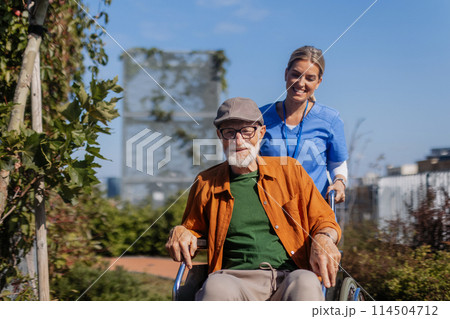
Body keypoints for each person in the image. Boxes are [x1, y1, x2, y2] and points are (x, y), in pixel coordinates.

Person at [166, 97, 341, 301]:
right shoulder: (206, 182)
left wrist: (324, 238)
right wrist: (180, 231)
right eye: (229, 132)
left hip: (289, 277)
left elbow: (325, 221)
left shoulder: (291, 171)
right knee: (215, 287)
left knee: (307, 283)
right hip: (232, 279)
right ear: (219, 136)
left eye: (247, 131)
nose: (238, 141)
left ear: (261, 133)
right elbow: (191, 230)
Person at [259, 46, 349, 203]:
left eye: (310, 78)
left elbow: (337, 163)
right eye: (296, 75)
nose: (301, 83)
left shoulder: (330, 119)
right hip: (271, 213)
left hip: (315, 214)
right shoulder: (260, 117)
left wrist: (339, 183)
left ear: (319, 82)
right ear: (286, 74)